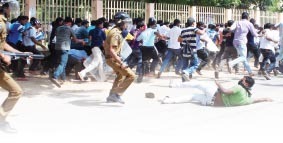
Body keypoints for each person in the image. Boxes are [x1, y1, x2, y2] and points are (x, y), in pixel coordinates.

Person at [161, 76, 272, 107]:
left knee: (197, 84)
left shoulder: (240, 88)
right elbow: (256, 99)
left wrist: (218, 83)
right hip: (211, 103)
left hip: (214, 93)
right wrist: (266, 99)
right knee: (192, 97)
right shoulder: (247, 99)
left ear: (246, 84)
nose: (241, 80)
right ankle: (167, 101)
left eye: (243, 79)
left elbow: (225, 91)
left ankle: (173, 84)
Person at [0, 0, 25, 121]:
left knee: (16, 91)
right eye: (10, 7)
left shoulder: (3, 22)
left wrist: (20, 53)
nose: (12, 10)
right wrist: (3, 55)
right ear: (3, 7)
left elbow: (2, 43)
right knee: (16, 91)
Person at [104, 12, 135, 104]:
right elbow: (112, 50)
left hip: (111, 58)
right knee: (131, 75)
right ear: (120, 22)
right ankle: (116, 94)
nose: (127, 25)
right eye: (126, 22)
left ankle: (111, 96)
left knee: (121, 75)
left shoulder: (114, 30)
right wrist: (121, 63)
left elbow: (105, 44)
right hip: (112, 59)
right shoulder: (116, 33)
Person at [49, 16, 85, 88]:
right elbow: (75, 40)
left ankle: (63, 79)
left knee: (62, 63)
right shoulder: (70, 29)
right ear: (70, 23)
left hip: (57, 47)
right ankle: (55, 76)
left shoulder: (58, 28)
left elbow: (59, 36)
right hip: (65, 47)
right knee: (62, 64)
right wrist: (82, 41)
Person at [228, 12, 258, 76]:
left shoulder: (237, 22)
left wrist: (236, 31)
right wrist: (260, 35)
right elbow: (254, 34)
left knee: (243, 57)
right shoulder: (249, 23)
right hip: (242, 42)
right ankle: (231, 63)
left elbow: (231, 29)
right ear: (248, 17)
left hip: (235, 42)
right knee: (243, 57)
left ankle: (250, 72)